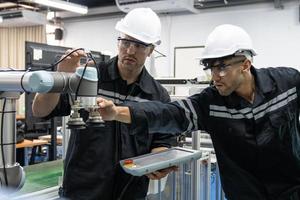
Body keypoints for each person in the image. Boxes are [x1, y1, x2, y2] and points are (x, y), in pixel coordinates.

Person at [97, 24, 300, 200]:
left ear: (245, 65)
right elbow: (170, 114)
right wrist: (117, 113)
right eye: (210, 68)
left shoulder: (287, 84)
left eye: (221, 67)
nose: (215, 77)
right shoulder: (210, 103)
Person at [32, 8, 177, 200]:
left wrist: (159, 162)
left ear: (151, 50)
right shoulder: (90, 76)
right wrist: (59, 77)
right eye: (126, 42)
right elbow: (40, 111)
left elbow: (163, 142)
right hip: (82, 191)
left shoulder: (158, 95)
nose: (130, 50)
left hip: (130, 192)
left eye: (140, 45)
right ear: (119, 41)